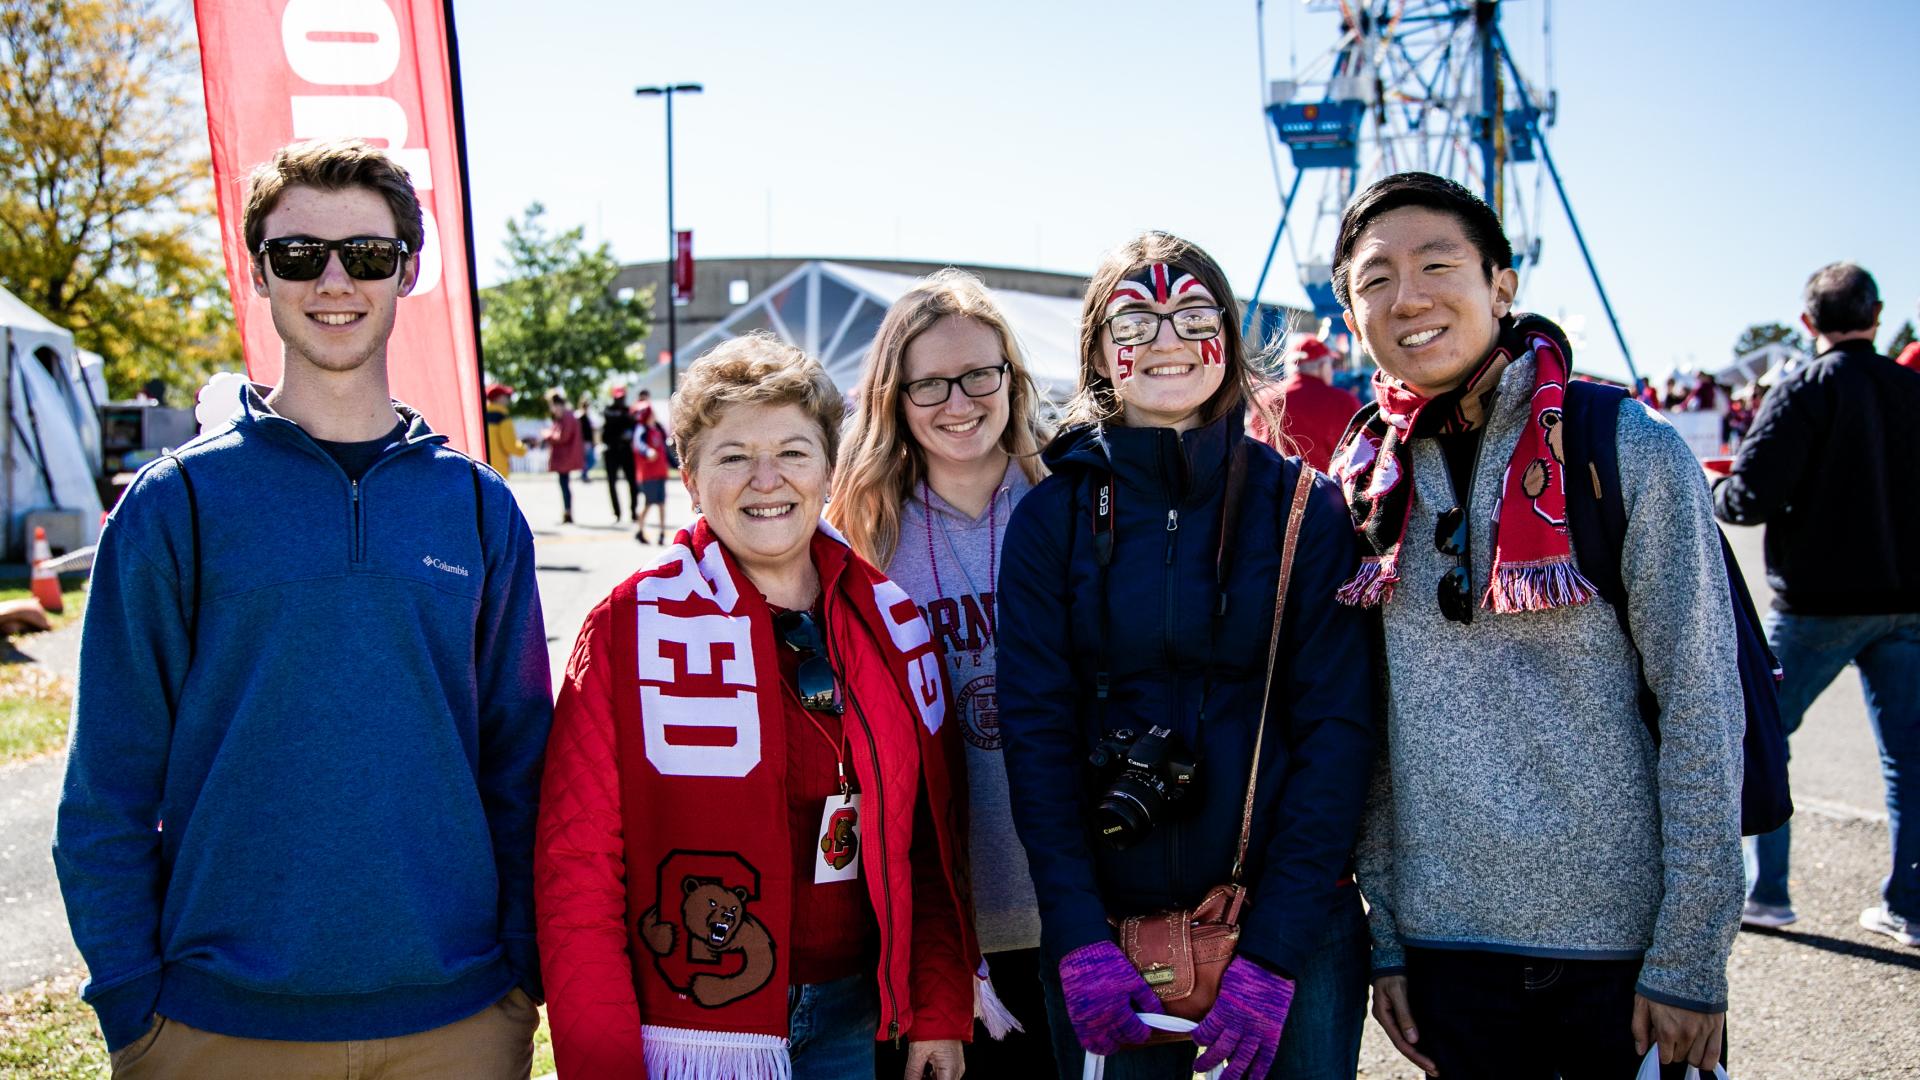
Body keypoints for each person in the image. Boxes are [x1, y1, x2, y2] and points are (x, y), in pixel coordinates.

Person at [53, 139, 550, 1078]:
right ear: (258, 270)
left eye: (365, 254)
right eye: (298, 255)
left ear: (407, 270)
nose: (333, 280)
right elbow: (107, 788)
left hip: (459, 1019)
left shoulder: (480, 508)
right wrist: (132, 1005)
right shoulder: (176, 505)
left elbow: (521, 765)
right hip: (217, 1028)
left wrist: (519, 977)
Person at [1327, 172, 1741, 1078]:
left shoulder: (1624, 447)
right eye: (1375, 279)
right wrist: (1390, 939)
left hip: (1623, 950)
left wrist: (1689, 956)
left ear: (1500, 284)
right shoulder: (1363, 482)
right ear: (1351, 308)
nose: (1410, 297)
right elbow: (1375, 733)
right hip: (1447, 952)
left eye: (1438, 264)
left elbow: (1704, 710)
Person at [534, 333, 976, 1080]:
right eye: (733, 455)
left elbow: (931, 841)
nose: (766, 479)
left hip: (856, 1016)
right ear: (689, 475)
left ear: (828, 470)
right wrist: (603, 1064)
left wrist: (936, 1005)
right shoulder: (628, 628)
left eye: (794, 453)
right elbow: (577, 870)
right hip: (689, 1024)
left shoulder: (891, 624)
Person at [998, 232, 1375, 1080]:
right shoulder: (1050, 522)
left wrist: (1276, 952)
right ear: (1099, 352)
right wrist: (1077, 936)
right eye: (1137, 320)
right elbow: (1037, 739)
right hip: (1110, 930)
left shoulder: (1303, 514)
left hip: (1291, 925)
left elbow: (1337, 737)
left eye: (1193, 315)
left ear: (1231, 342)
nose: (1166, 339)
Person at [829, 268, 1057, 1071]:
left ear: (1011, 380)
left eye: (979, 375)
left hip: (1066, 912)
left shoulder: (1067, 505)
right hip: (922, 921)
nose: (958, 403)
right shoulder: (854, 531)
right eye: (930, 383)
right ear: (894, 394)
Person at [1713, 262, 1920, 948]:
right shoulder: (1908, 387)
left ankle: (1769, 893)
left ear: (1808, 323)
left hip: (1818, 602)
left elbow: (1749, 498)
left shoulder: (1805, 388)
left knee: (1761, 736)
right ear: (1879, 314)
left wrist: (1713, 492)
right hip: (1907, 601)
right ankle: (1908, 904)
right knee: (1906, 758)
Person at [1246, 333, 1364, 473]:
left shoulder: (1265, 398)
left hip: (1268, 488)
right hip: (1323, 490)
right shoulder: (1344, 402)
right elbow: (1360, 453)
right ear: (1323, 365)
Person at [540, 390, 584, 525]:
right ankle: (567, 511)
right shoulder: (566, 416)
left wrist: (547, 434)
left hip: (565, 456)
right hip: (564, 456)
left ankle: (568, 512)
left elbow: (563, 437)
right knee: (564, 484)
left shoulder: (567, 417)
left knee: (564, 485)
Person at [633, 400, 671, 544]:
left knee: (661, 504)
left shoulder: (656, 430)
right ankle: (639, 529)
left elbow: (664, 452)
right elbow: (639, 444)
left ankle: (661, 533)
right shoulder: (642, 430)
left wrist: (676, 464)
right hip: (649, 475)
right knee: (649, 503)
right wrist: (648, 451)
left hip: (660, 473)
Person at [600, 385, 639, 520]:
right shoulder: (609, 410)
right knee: (612, 482)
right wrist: (624, 418)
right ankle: (617, 513)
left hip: (626, 450)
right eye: (618, 398)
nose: (620, 400)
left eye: (622, 397)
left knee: (632, 482)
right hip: (611, 450)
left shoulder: (628, 411)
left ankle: (633, 511)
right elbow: (612, 418)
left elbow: (633, 424)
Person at [485, 383, 528, 473]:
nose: (509, 399)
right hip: (499, 468)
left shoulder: (481, 415)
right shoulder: (503, 417)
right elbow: (509, 445)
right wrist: (523, 449)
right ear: (499, 398)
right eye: (507, 396)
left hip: (482, 465)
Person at [577, 398, 597, 481]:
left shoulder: (587, 417)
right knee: (591, 460)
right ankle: (583, 474)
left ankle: (584, 474)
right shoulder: (581, 417)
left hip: (588, 442)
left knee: (588, 460)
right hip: (584, 442)